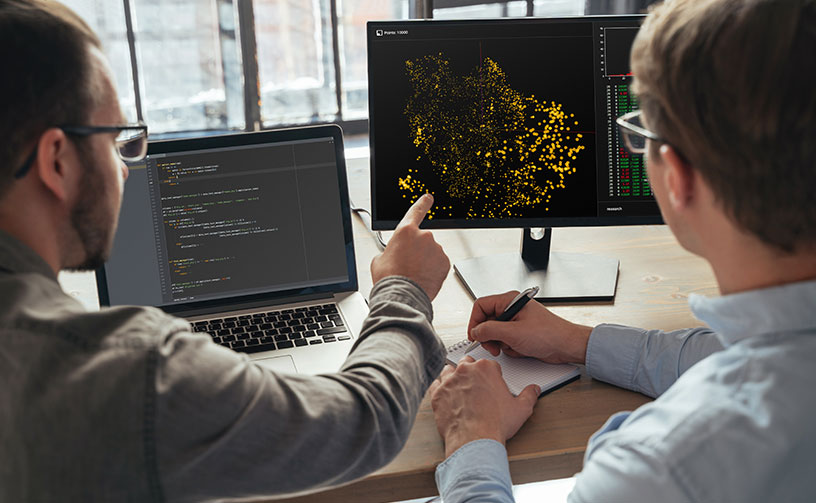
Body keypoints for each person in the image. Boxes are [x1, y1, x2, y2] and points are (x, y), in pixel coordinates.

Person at [0, 1, 451, 501]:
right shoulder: (121, 370)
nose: (126, 168)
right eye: (114, 141)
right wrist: (403, 287)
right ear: (56, 161)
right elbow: (363, 423)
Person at [429, 0, 816, 501]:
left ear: (676, 176)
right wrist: (578, 342)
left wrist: (470, 440)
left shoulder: (659, 469)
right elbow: (742, 352)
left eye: (642, 134)